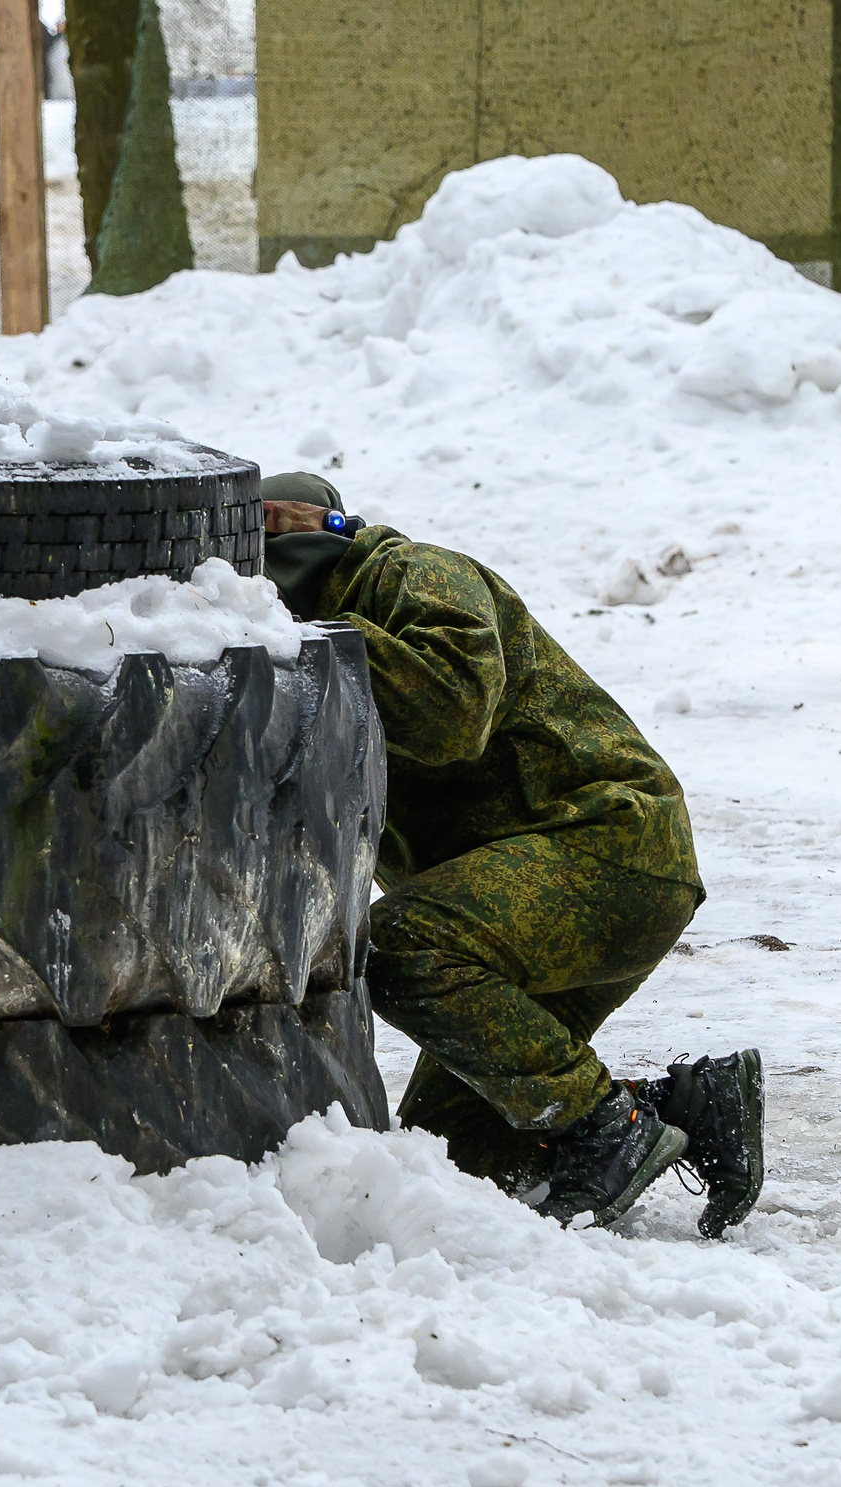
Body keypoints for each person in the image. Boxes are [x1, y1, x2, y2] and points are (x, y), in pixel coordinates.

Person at [260, 474, 765, 1235]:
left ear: (321, 522)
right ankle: (688, 1106)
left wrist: (306, 644)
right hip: (540, 893)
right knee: (454, 1155)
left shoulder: (407, 572)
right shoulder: (300, 659)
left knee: (398, 950)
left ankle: (609, 1127)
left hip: (607, 843)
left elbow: (451, 706)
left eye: (268, 522)